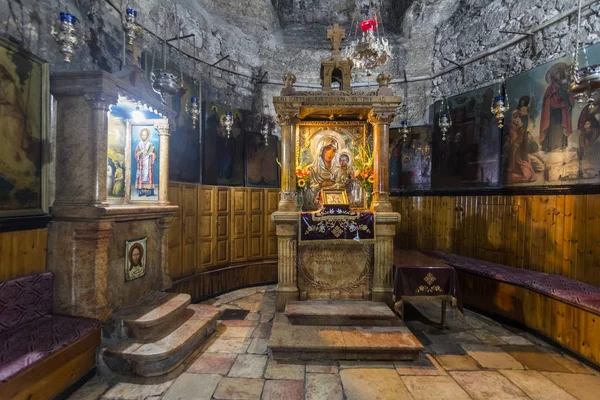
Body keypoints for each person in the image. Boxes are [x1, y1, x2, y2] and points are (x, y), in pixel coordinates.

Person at [540, 63, 573, 152]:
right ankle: (550, 146)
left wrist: (565, 97)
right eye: (556, 74)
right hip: (552, 111)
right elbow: (546, 99)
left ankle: (562, 145)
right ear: (553, 77)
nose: (557, 76)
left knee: (561, 126)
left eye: (559, 74)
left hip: (562, 111)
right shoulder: (550, 88)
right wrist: (552, 97)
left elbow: (569, 97)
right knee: (552, 127)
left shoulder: (565, 86)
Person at [505, 111, 537, 184]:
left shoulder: (521, 128)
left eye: (517, 114)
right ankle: (512, 170)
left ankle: (514, 171)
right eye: (514, 114)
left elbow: (522, 137)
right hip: (516, 147)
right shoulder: (511, 125)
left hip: (520, 152)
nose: (516, 115)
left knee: (527, 173)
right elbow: (511, 136)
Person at [308, 137, 339, 207]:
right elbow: (307, 191)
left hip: (335, 204)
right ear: (321, 150)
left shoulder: (338, 170)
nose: (331, 153)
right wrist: (320, 185)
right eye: (328, 149)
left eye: (334, 150)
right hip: (316, 206)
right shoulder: (312, 169)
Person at [134, 128, 156, 197]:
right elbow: (136, 153)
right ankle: (140, 191)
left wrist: (152, 154)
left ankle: (149, 191)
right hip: (141, 163)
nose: (144, 136)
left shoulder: (150, 144)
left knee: (148, 176)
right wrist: (140, 152)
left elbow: (154, 153)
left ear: (147, 136)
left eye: (145, 135)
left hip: (148, 163)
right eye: (142, 135)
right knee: (140, 176)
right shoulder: (139, 144)